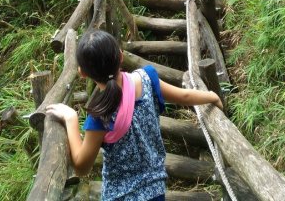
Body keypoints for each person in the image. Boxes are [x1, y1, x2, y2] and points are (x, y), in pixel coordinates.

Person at [46, 29, 223, 201]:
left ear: (82, 73)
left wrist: (71, 119)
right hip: (154, 191)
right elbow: (184, 96)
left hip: (119, 196)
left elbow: (82, 167)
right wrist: (212, 96)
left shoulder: (99, 115)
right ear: (121, 57)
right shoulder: (147, 78)